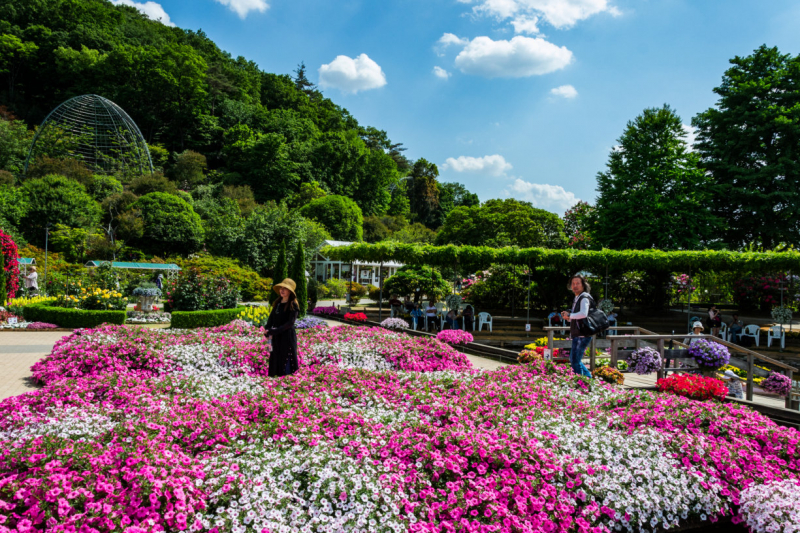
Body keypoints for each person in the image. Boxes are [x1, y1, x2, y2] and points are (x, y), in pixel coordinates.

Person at [560, 275, 594, 378]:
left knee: (575, 361)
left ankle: (583, 382)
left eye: (578, 283)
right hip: (578, 333)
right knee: (574, 360)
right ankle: (587, 380)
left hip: (583, 334)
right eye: (573, 284)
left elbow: (584, 314)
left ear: (583, 285)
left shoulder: (584, 297)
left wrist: (570, 315)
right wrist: (568, 317)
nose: (575, 286)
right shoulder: (577, 297)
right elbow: (578, 316)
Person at [265, 278, 299, 377]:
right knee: (276, 357)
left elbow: (290, 323)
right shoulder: (278, 303)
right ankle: (275, 380)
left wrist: (276, 330)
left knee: (285, 358)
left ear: (290, 292)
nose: (282, 290)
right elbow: (271, 318)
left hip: (287, 337)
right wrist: (267, 329)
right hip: (276, 337)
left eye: (285, 288)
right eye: (281, 288)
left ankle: (286, 381)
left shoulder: (293, 305)